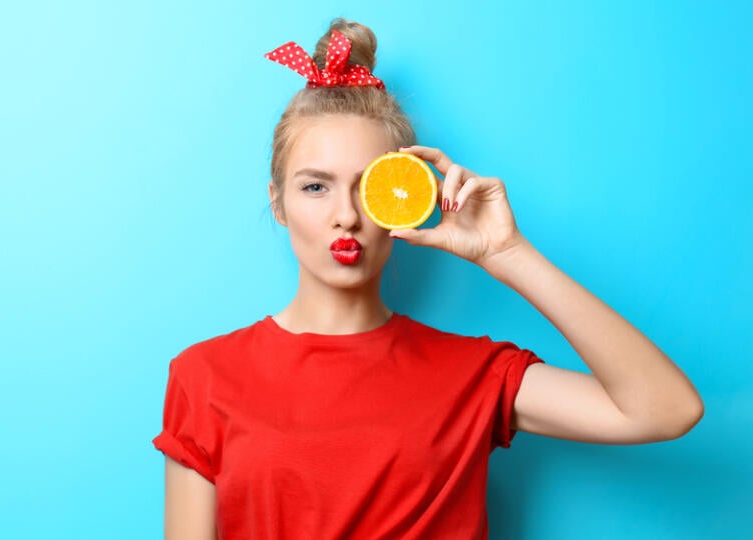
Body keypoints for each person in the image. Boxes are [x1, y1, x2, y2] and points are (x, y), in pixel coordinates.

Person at [152, 18, 703, 540]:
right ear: (278, 203)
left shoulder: (472, 376)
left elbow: (666, 409)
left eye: (369, 188)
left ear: (405, 199)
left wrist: (508, 253)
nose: (346, 215)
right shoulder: (203, 377)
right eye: (315, 187)